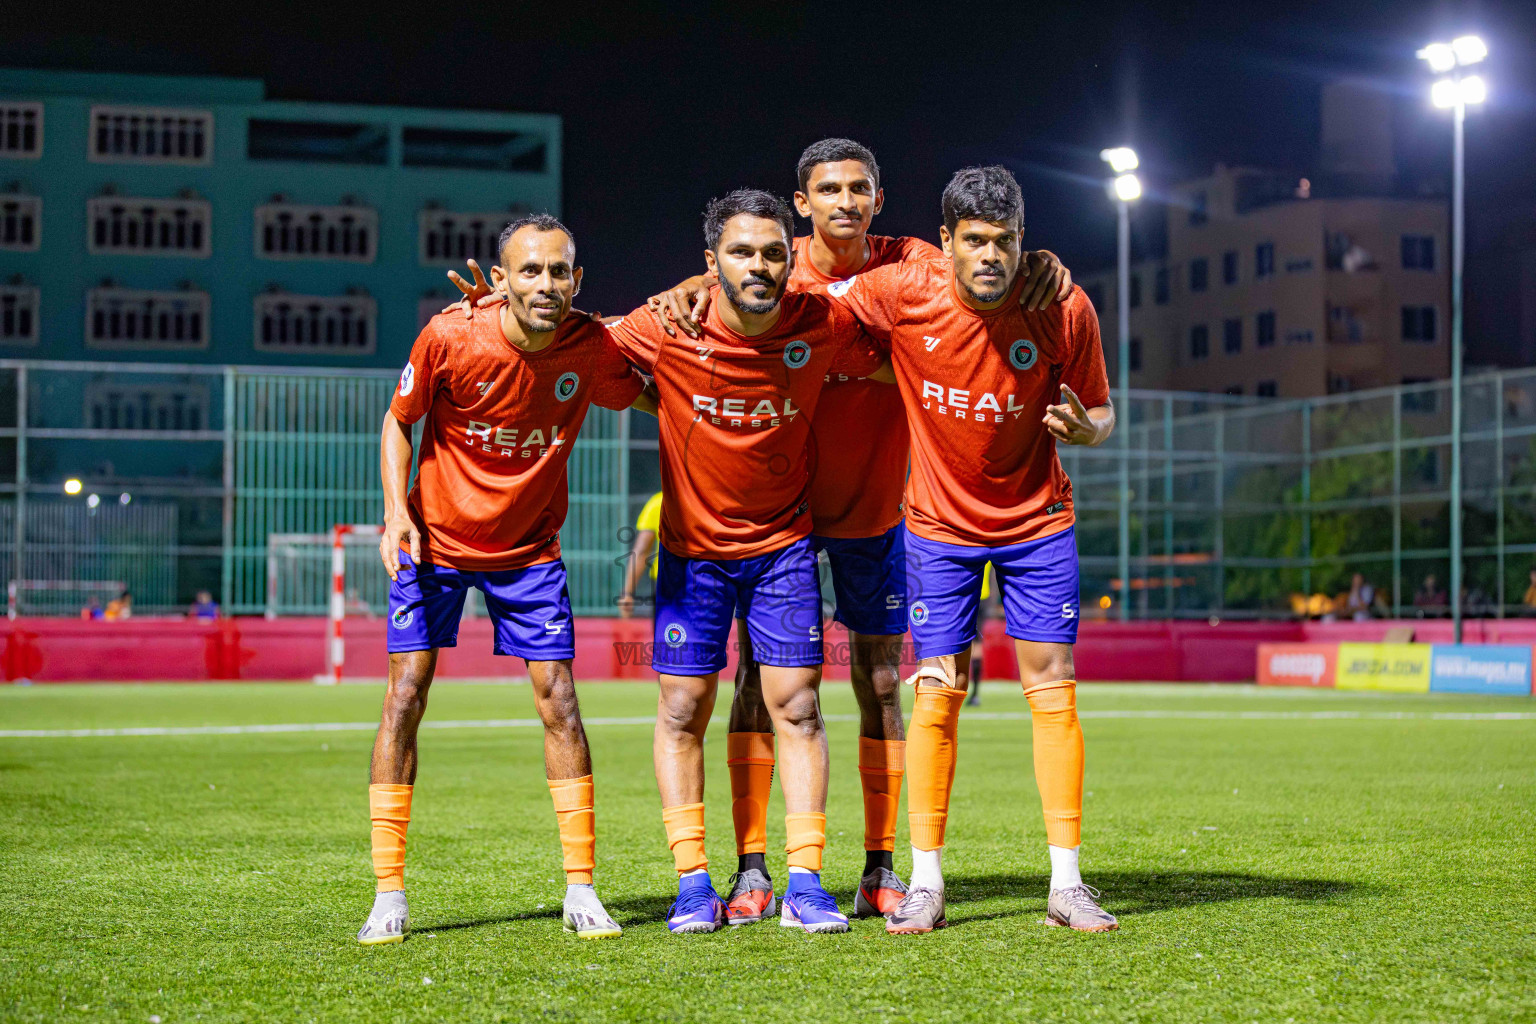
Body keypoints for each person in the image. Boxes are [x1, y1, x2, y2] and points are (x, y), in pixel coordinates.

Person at [642, 139, 1072, 923]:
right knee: (757, 686)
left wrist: (1044, 259)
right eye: (828, 189)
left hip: (878, 508)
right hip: (784, 516)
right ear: (801, 202)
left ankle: (880, 867)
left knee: (880, 684)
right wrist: (693, 284)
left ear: (878, 197)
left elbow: (990, 264)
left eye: (859, 188)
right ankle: (753, 868)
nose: (845, 201)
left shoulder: (913, 263)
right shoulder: (773, 269)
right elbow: (720, 294)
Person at [826, 165, 1119, 934]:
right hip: (938, 527)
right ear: (948, 241)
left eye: (1008, 242)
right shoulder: (902, 291)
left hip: (1037, 522)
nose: (992, 256)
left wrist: (1089, 430)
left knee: (1052, 685)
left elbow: (1101, 411)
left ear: (1026, 241)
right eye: (977, 241)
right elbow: (807, 296)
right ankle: (925, 881)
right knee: (937, 691)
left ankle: (1067, 883)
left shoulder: (1062, 305)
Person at [603, 188, 892, 935]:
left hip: (783, 549)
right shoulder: (665, 324)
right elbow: (572, 344)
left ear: (789, 258)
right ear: (711, 262)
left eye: (772, 251)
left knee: (797, 705)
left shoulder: (820, 322)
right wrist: (491, 310)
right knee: (681, 709)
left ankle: (805, 883)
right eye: (740, 252)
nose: (759, 265)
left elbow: (910, 352)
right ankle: (694, 884)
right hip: (692, 555)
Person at [357, 213, 649, 945]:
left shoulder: (593, 347)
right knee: (404, 696)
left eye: (558, 271)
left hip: (530, 552)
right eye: (529, 270)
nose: (544, 283)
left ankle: (581, 889)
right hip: (436, 546)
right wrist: (395, 512)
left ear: (576, 281)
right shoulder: (451, 334)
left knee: (561, 702)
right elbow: (399, 420)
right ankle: (388, 894)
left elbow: (652, 387)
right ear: (501, 279)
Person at [618, 491, 663, 618]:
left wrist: (627, 593)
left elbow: (642, 551)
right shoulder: (705, 503)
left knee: (666, 635)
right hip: (702, 582)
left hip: (666, 584)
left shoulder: (658, 502)